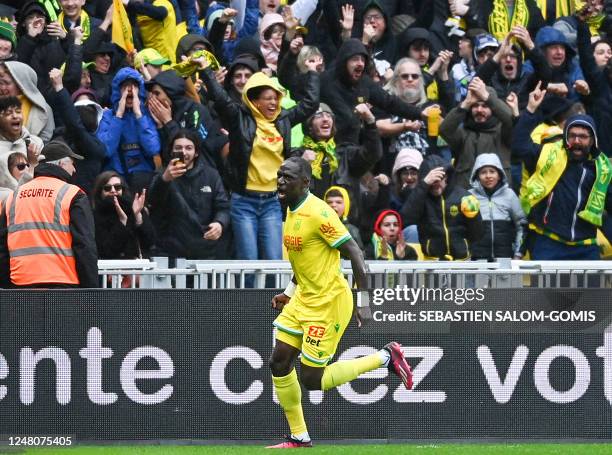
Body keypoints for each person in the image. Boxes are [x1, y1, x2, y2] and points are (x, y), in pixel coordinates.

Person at [268, 156, 412, 448]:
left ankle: (385, 357)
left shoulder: (320, 213)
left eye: (288, 177)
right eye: (280, 175)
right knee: (279, 362)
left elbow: (356, 254)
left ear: (306, 182)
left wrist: (365, 302)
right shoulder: (291, 210)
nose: (281, 181)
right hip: (303, 299)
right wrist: (289, 290)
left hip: (329, 302)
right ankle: (299, 435)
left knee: (312, 379)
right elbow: (303, 260)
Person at [198, 55, 320, 263]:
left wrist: (313, 73)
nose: (273, 102)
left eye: (276, 98)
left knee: (273, 259)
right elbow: (221, 99)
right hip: (244, 201)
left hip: (272, 201)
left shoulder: (283, 120)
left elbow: (310, 104)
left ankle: (271, 297)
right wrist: (206, 70)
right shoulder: (239, 119)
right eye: (268, 98)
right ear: (255, 101)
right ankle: (249, 298)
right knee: (249, 260)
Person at [512, 85, 612, 259]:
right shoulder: (547, 154)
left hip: (586, 247)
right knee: (547, 288)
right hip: (549, 244)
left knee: (594, 288)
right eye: (572, 135)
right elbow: (519, 146)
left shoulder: (602, 169)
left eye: (583, 136)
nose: (576, 141)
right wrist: (530, 110)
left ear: (593, 140)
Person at [0, 140, 98, 288]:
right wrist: (91, 292)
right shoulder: (73, 194)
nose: (74, 170)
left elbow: (2, 248)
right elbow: (84, 246)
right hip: (63, 284)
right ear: (60, 164)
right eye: (72, 163)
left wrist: (8, 288)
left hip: (20, 285)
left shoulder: (14, 197)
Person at [148, 129, 231, 259]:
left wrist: (219, 223)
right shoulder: (162, 174)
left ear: (196, 152)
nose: (183, 152)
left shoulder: (211, 175)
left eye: (189, 148)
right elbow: (152, 203)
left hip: (204, 247)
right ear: (171, 151)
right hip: (170, 250)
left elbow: (223, 207)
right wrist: (164, 180)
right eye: (178, 148)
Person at [401, 155, 483, 260]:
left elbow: (477, 235)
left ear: (447, 177)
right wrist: (424, 184)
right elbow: (405, 219)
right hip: (432, 261)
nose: (436, 184)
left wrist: (474, 217)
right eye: (432, 181)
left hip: (462, 261)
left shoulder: (464, 197)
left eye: (440, 179)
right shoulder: (419, 196)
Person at [468, 153, 527, 261]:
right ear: (476, 176)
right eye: (483, 172)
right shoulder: (468, 196)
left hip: (505, 259)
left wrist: (518, 254)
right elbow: (462, 228)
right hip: (477, 261)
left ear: (499, 174)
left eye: (492, 171)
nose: (488, 176)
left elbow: (522, 225)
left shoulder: (509, 195)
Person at [91, 171, 155, 260]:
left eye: (117, 187)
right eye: (107, 188)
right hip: (109, 270)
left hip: (135, 269)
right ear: (100, 192)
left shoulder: (134, 207)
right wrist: (122, 222)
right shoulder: (94, 216)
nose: (113, 191)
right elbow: (106, 250)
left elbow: (150, 241)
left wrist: (137, 217)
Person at [323, 185, 364, 251]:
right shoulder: (317, 227)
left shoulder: (352, 231)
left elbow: (361, 255)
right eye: (329, 202)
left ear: (346, 205)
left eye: (338, 202)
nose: (333, 205)